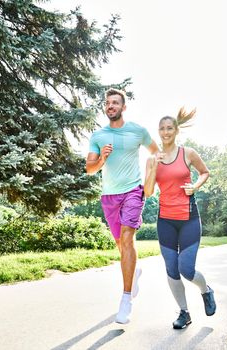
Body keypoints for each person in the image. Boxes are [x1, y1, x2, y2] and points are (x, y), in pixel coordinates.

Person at [86, 88, 159, 324]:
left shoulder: (137, 131)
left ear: (123, 107)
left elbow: (156, 153)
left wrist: (152, 174)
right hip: (109, 196)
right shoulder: (98, 136)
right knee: (120, 244)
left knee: (127, 239)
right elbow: (90, 169)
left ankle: (126, 299)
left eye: (115, 102)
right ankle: (134, 271)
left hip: (133, 191)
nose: (111, 106)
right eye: (108, 103)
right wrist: (102, 159)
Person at [143, 107, 216, 329]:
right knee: (171, 270)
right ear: (159, 132)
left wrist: (195, 186)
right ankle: (184, 313)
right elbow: (148, 192)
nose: (165, 132)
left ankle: (206, 290)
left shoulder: (188, 153)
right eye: (162, 129)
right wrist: (154, 167)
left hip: (188, 219)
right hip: (165, 220)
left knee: (186, 269)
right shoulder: (152, 159)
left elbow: (205, 172)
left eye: (169, 128)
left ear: (176, 131)